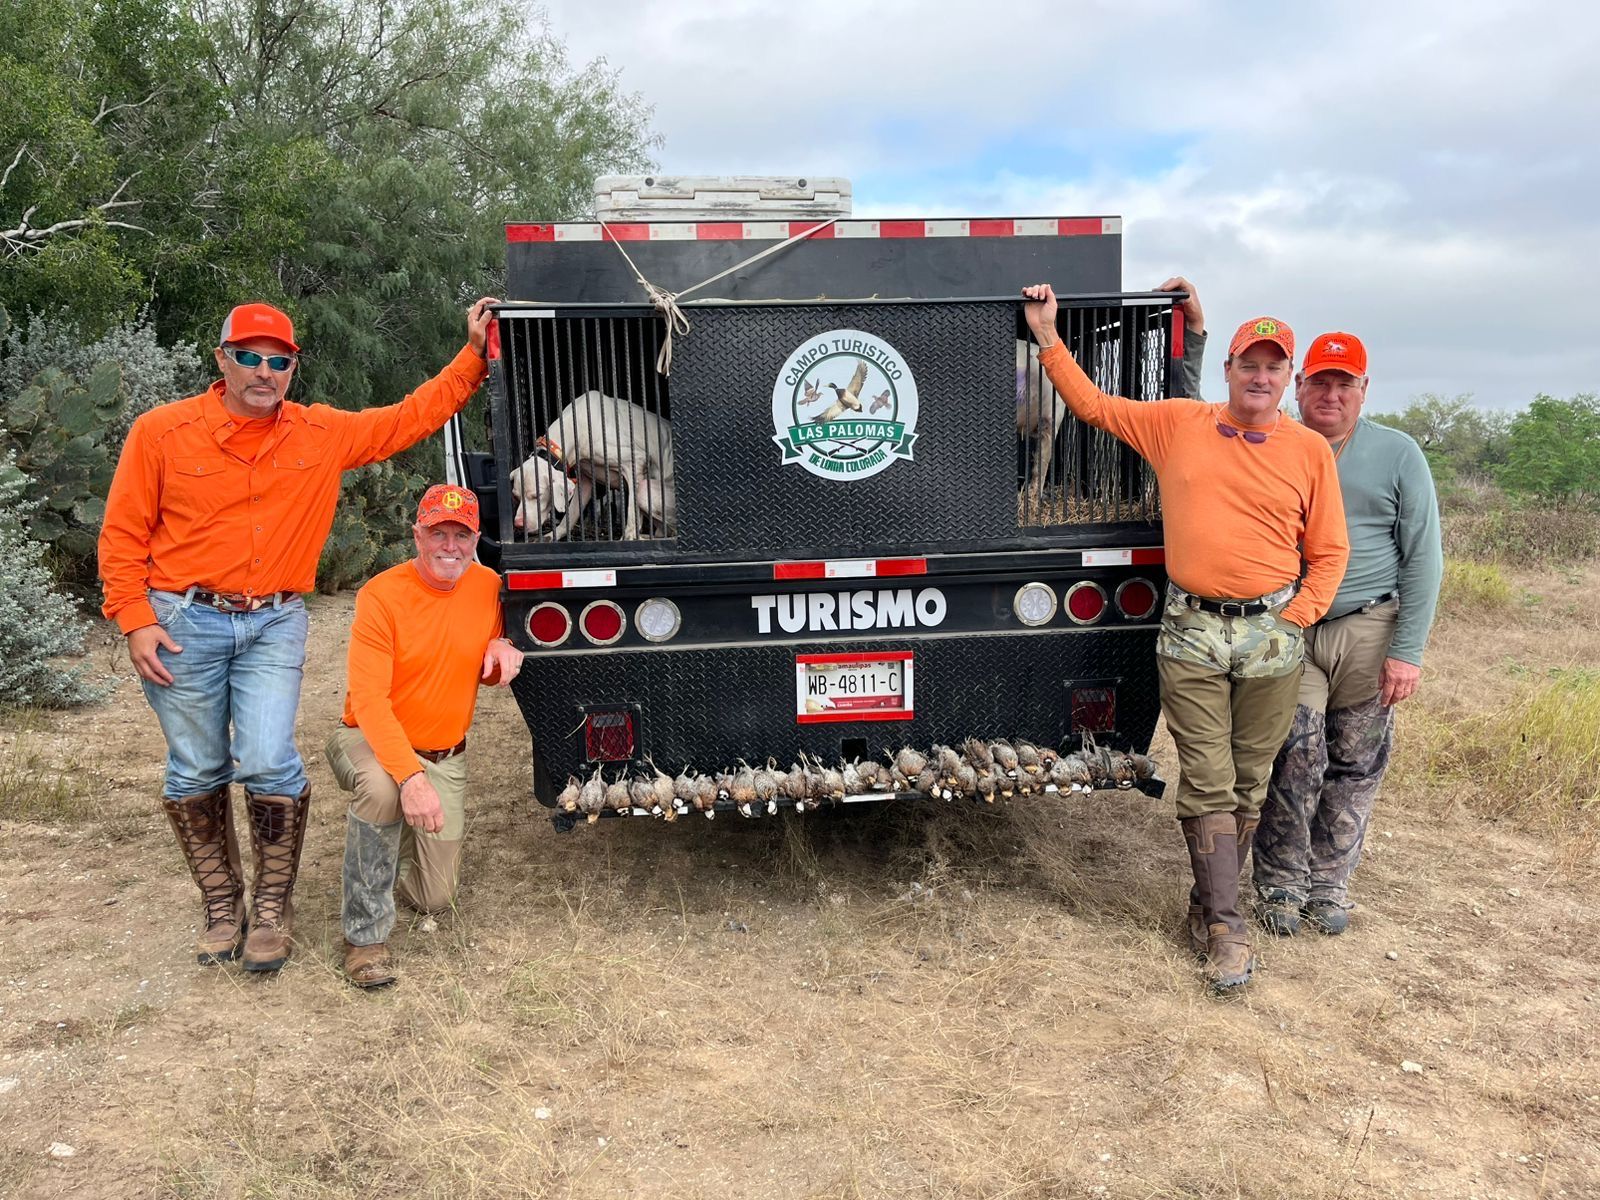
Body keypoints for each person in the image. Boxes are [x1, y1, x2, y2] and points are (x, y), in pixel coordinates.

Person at [99, 297, 499, 972]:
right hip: (180, 620)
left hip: (273, 621)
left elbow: (406, 419)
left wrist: (474, 356)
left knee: (265, 759)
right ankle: (224, 905)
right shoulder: (161, 432)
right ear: (222, 359)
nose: (264, 371)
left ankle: (273, 907)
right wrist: (134, 619)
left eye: (278, 360)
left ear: (291, 369)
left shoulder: (320, 434)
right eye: (249, 357)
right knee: (195, 767)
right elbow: (122, 531)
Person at [1021, 284, 1350, 995]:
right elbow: (1096, 408)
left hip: (1271, 633)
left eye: (1273, 367)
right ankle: (1229, 930)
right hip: (1192, 630)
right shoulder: (1179, 423)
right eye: (1248, 364)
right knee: (1206, 773)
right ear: (1227, 368)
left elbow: (1328, 553)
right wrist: (1047, 336)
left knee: (1251, 778)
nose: (1259, 378)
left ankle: (1205, 906)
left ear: (1285, 379)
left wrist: (1295, 621)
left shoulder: (1310, 453)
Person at [1255, 333, 1442, 935]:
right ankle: (1279, 882)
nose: (1330, 394)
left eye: (1345, 383)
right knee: (1296, 751)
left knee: (1355, 761)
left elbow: (1423, 557)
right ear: (1299, 385)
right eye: (1320, 381)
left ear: (1365, 390)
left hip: (1368, 624)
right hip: (1292, 624)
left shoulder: (1397, 453)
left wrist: (1406, 652)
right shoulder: (1271, 441)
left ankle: (1329, 883)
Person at [328, 483, 522, 988]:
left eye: (462, 535)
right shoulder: (382, 595)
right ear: (418, 535)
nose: (450, 547)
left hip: (445, 752)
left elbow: (481, 650)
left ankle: (397, 853)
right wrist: (411, 778)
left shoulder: (486, 587)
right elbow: (369, 702)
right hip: (367, 739)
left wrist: (501, 647)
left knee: (438, 897)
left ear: (476, 538)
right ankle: (364, 938)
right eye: (439, 533)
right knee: (384, 790)